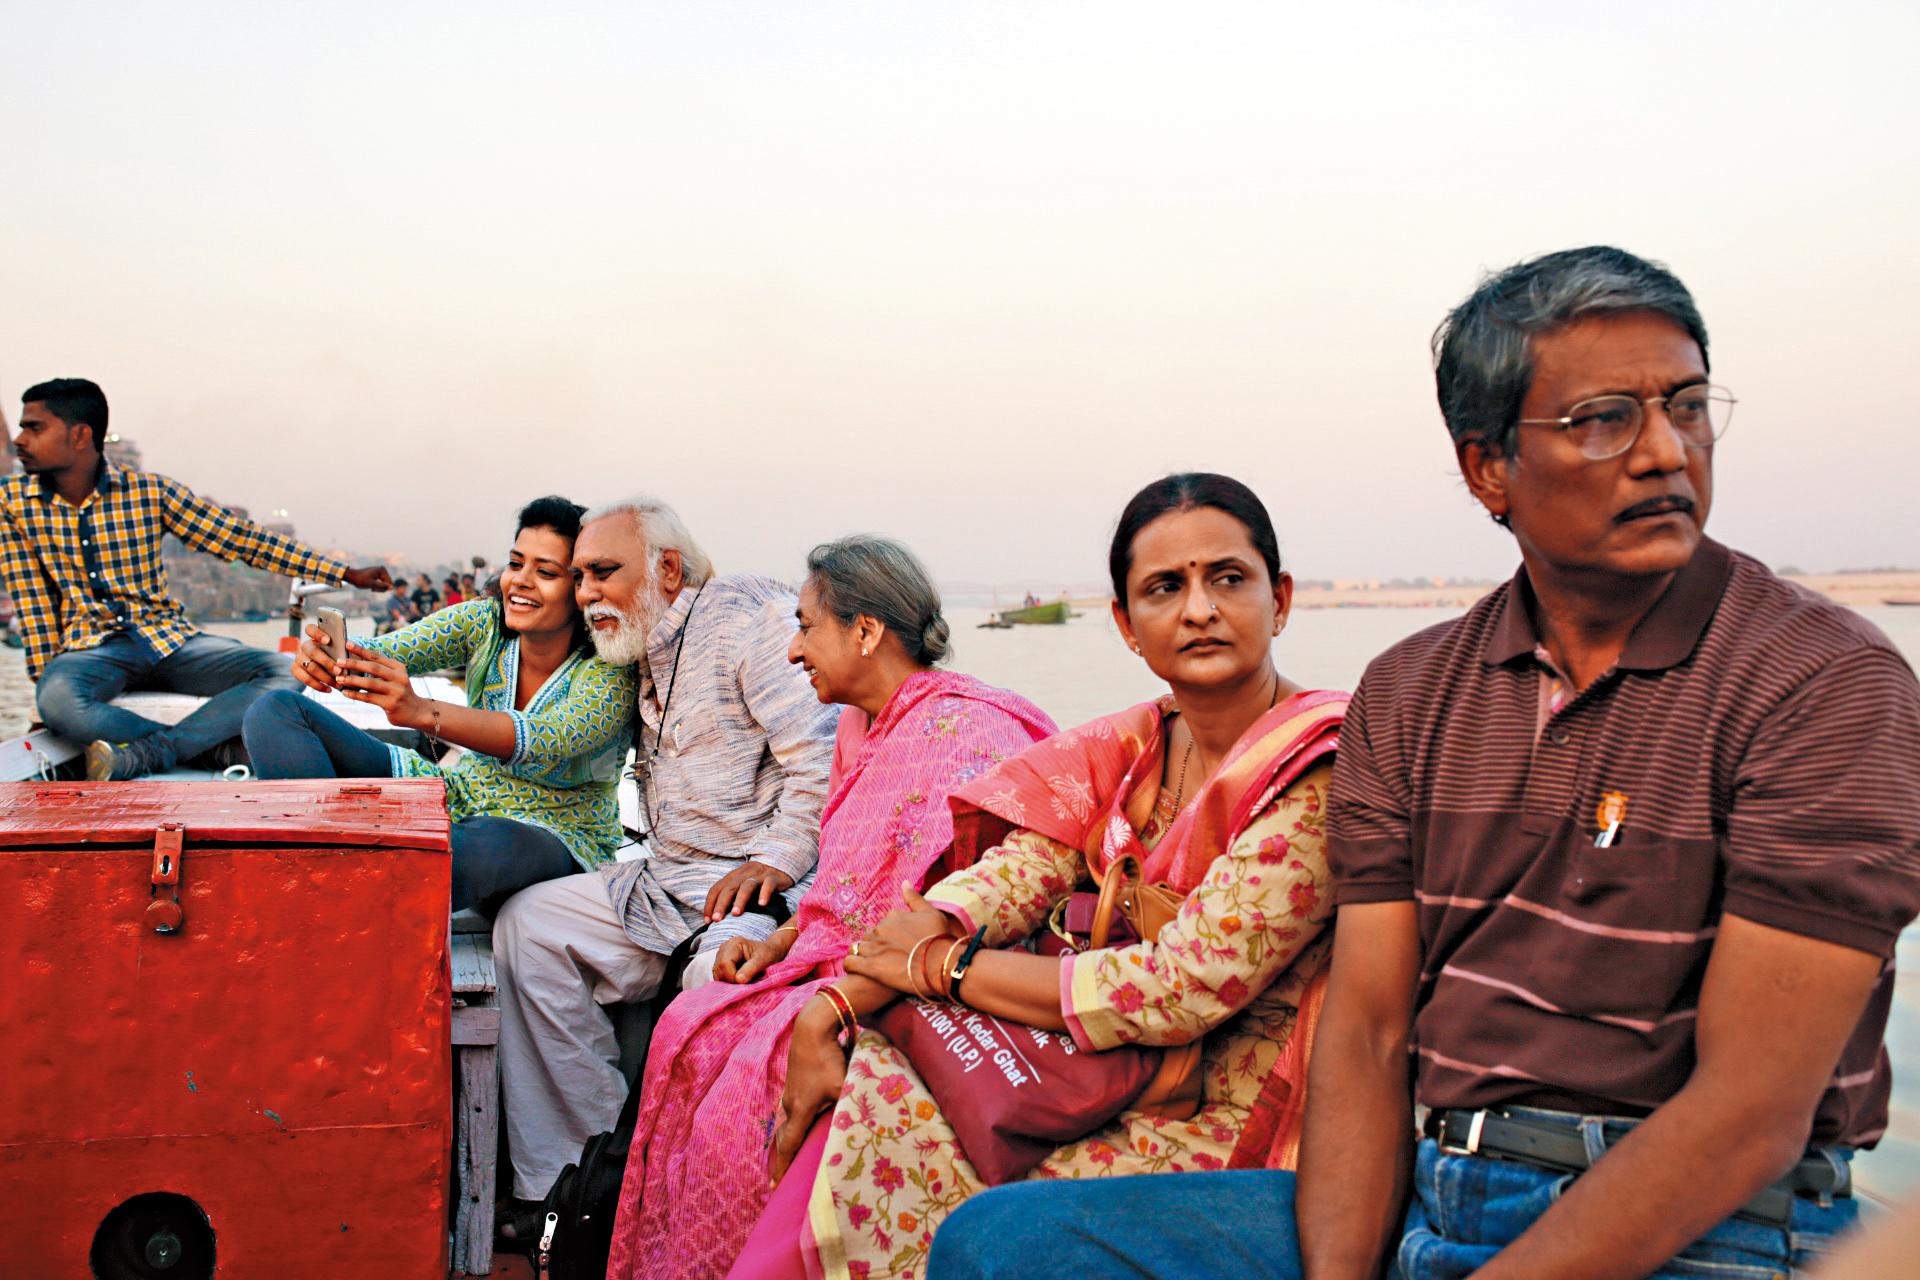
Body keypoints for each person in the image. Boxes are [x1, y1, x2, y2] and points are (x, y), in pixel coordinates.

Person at [927, 248, 1920, 1280]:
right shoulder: (1413, 691)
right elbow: (1366, 1032)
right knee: (1000, 1247)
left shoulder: (1820, 681)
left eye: (1688, 405)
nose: (1667, 450)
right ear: (1488, 466)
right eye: (1604, 418)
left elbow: (1750, 1113)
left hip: (1711, 1226)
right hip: (1434, 1191)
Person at [735, 474, 1345, 1280]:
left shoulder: (1321, 765)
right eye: (1166, 587)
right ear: (1128, 626)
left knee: (969, 1212)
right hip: (1101, 1071)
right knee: (871, 1080)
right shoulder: (1130, 750)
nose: (1199, 608)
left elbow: (1179, 985)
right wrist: (835, 1004)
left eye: (1227, 578)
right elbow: (1010, 876)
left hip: (1229, 1116)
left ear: (1282, 598)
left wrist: (946, 970)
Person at [604, 535, 1057, 1280]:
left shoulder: (964, 732)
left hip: (933, 986)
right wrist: (781, 942)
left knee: (745, 1085)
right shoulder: (859, 723)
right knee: (693, 1017)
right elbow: (845, 886)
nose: (791, 651)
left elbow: (951, 907)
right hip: (845, 958)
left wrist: (830, 990)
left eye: (806, 625)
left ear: (867, 631)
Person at [491, 495, 840, 1239]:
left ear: (668, 569)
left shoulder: (751, 620)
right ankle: (573, 1182)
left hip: (755, 893)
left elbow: (823, 755)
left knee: (719, 994)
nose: (586, 593)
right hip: (662, 882)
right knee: (530, 927)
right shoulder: (637, 637)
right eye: (580, 576)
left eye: (603, 573)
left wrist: (774, 863)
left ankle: (689, 1202)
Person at [243, 495, 633, 914]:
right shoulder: (486, 621)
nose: (519, 580)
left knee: (476, 848)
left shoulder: (610, 663)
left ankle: (334, 877)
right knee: (277, 711)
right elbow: (386, 650)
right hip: (460, 794)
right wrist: (329, 656)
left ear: (580, 588)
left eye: (546, 572)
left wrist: (420, 712)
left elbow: (547, 736)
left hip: (551, 833)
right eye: (516, 563)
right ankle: (332, 870)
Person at [0, 378, 391, 779]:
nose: (19, 440)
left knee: (282, 670)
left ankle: (151, 753)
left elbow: (241, 540)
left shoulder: (148, 492)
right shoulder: (13, 502)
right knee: (60, 702)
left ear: (80, 436)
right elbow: (32, 597)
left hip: (167, 638)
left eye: (34, 428)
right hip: (90, 648)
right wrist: (47, 692)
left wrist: (344, 573)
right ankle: (210, 753)